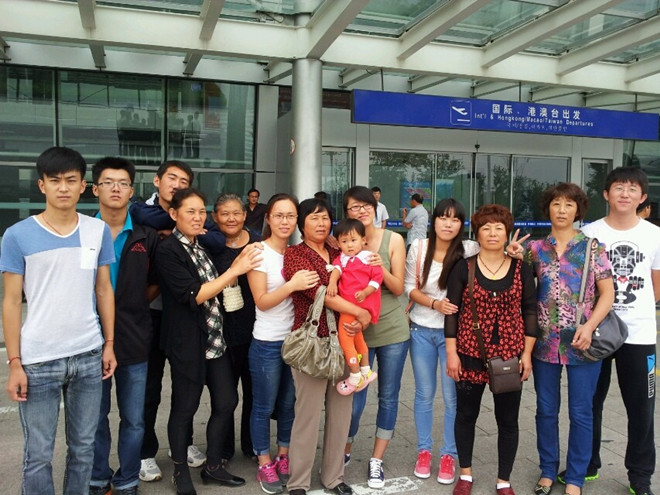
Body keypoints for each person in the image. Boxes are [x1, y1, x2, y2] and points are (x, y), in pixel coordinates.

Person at [1, 146, 117, 495]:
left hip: (88, 355)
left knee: (83, 449)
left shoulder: (98, 231)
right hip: (38, 360)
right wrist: (14, 362)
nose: (63, 187)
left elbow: (103, 290)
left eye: (70, 180)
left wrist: (109, 344)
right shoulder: (17, 235)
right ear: (42, 185)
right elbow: (11, 301)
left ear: (83, 186)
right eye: (54, 181)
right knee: (38, 455)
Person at [156, 188, 262, 495]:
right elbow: (194, 295)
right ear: (174, 214)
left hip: (215, 339)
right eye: (190, 211)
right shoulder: (168, 250)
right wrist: (235, 270)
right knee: (185, 407)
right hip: (187, 343)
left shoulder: (199, 244)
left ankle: (213, 465)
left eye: (201, 211)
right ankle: (180, 471)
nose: (197, 217)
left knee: (227, 401)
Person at [130, 160, 224, 481]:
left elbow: (216, 239)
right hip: (152, 313)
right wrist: (171, 225)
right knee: (150, 388)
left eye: (184, 181)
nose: (177, 185)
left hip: (185, 316)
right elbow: (145, 217)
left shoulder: (191, 218)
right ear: (157, 180)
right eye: (172, 178)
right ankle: (145, 453)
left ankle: (181, 445)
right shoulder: (141, 211)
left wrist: (186, 226)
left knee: (187, 387)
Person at [519, 183, 614, 495]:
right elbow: (523, 291)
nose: (562, 210)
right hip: (544, 342)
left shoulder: (593, 248)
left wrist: (589, 326)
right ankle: (548, 471)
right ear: (548, 208)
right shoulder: (534, 249)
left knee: (581, 412)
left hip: (582, 342)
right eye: (556, 203)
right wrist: (511, 256)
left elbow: (608, 294)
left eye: (569, 204)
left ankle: (575, 478)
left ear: (578, 210)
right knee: (546, 409)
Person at [445, 204, 537, 495]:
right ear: (477, 233)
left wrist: (527, 354)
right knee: (466, 415)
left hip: (509, 355)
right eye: (486, 228)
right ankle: (465, 474)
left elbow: (530, 311)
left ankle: (504, 479)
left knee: (508, 420)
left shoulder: (522, 268)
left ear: (507, 232)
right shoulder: (464, 267)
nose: (493, 233)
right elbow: (452, 312)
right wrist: (451, 353)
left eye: (499, 227)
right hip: (470, 353)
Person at [283, 198, 372, 495]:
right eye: (313, 218)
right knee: (307, 416)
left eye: (325, 218)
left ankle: (334, 477)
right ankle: (298, 481)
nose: (321, 223)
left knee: (341, 414)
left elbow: (363, 279)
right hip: (314, 345)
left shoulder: (340, 251)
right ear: (302, 224)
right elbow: (320, 293)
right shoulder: (295, 254)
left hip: (345, 342)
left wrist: (363, 311)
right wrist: (359, 312)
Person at [579, 168, 659, 495]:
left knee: (641, 408)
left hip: (639, 335)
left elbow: (656, 286)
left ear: (642, 197)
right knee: (589, 403)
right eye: (619, 187)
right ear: (606, 194)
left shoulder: (654, 235)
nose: (625, 194)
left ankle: (640, 476)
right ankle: (587, 464)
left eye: (632, 189)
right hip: (596, 332)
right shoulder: (588, 233)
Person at [89, 157, 160, 495]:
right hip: (89, 339)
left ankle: (128, 478)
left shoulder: (146, 237)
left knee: (133, 419)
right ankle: (98, 476)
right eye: (108, 182)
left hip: (134, 338)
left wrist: (132, 306)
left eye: (122, 183)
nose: (115, 189)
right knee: (95, 418)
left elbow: (155, 282)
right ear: (95, 189)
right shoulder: (81, 233)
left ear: (132, 191)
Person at [247, 193, 320, 495]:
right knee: (263, 406)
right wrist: (292, 285)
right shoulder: (258, 252)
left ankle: (284, 456)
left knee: (290, 404)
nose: (285, 221)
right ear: (268, 218)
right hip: (266, 341)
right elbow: (262, 301)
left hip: (295, 342)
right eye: (279, 215)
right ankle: (264, 461)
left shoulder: (296, 253)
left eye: (290, 215)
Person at [404, 198, 479, 484]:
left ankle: (449, 454)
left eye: (455, 219)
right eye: (443, 218)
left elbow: (495, 259)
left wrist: (512, 252)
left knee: (452, 397)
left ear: (461, 224)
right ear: (433, 220)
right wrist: (435, 305)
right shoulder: (419, 248)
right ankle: (424, 451)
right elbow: (409, 288)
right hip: (421, 330)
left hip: (455, 336)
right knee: (424, 394)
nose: (448, 224)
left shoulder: (469, 249)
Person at [342, 186, 409, 489]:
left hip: (392, 330)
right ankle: (344, 448)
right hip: (356, 331)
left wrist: (379, 266)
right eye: (354, 207)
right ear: (347, 213)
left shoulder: (393, 240)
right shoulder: (344, 240)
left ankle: (377, 460)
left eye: (366, 205)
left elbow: (398, 288)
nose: (361, 211)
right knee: (355, 398)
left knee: (388, 397)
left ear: (375, 207)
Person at [211, 193, 259, 463]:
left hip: (255, 331)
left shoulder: (257, 244)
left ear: (244, 215)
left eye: (236, 213)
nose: (231, 218)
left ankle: (252, 445)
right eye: (225, 213)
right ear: (215, 216)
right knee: (225, 397)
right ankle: (224, 449)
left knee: (253, 393)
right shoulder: (209, 244)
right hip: (221, 333)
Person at [327, 218, 382, 395]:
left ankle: (355, 375)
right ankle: (366, 371)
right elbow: (336, 270)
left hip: (357, 305)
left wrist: (366, 292)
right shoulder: (342, 259)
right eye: (344, 241)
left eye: (353, 240)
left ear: (363, 240)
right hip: (350, 306)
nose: (349, 245)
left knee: (345, 340)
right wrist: (332, 283)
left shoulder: (369, 258)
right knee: (357, 339)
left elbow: (377, 278)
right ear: (338, 243)